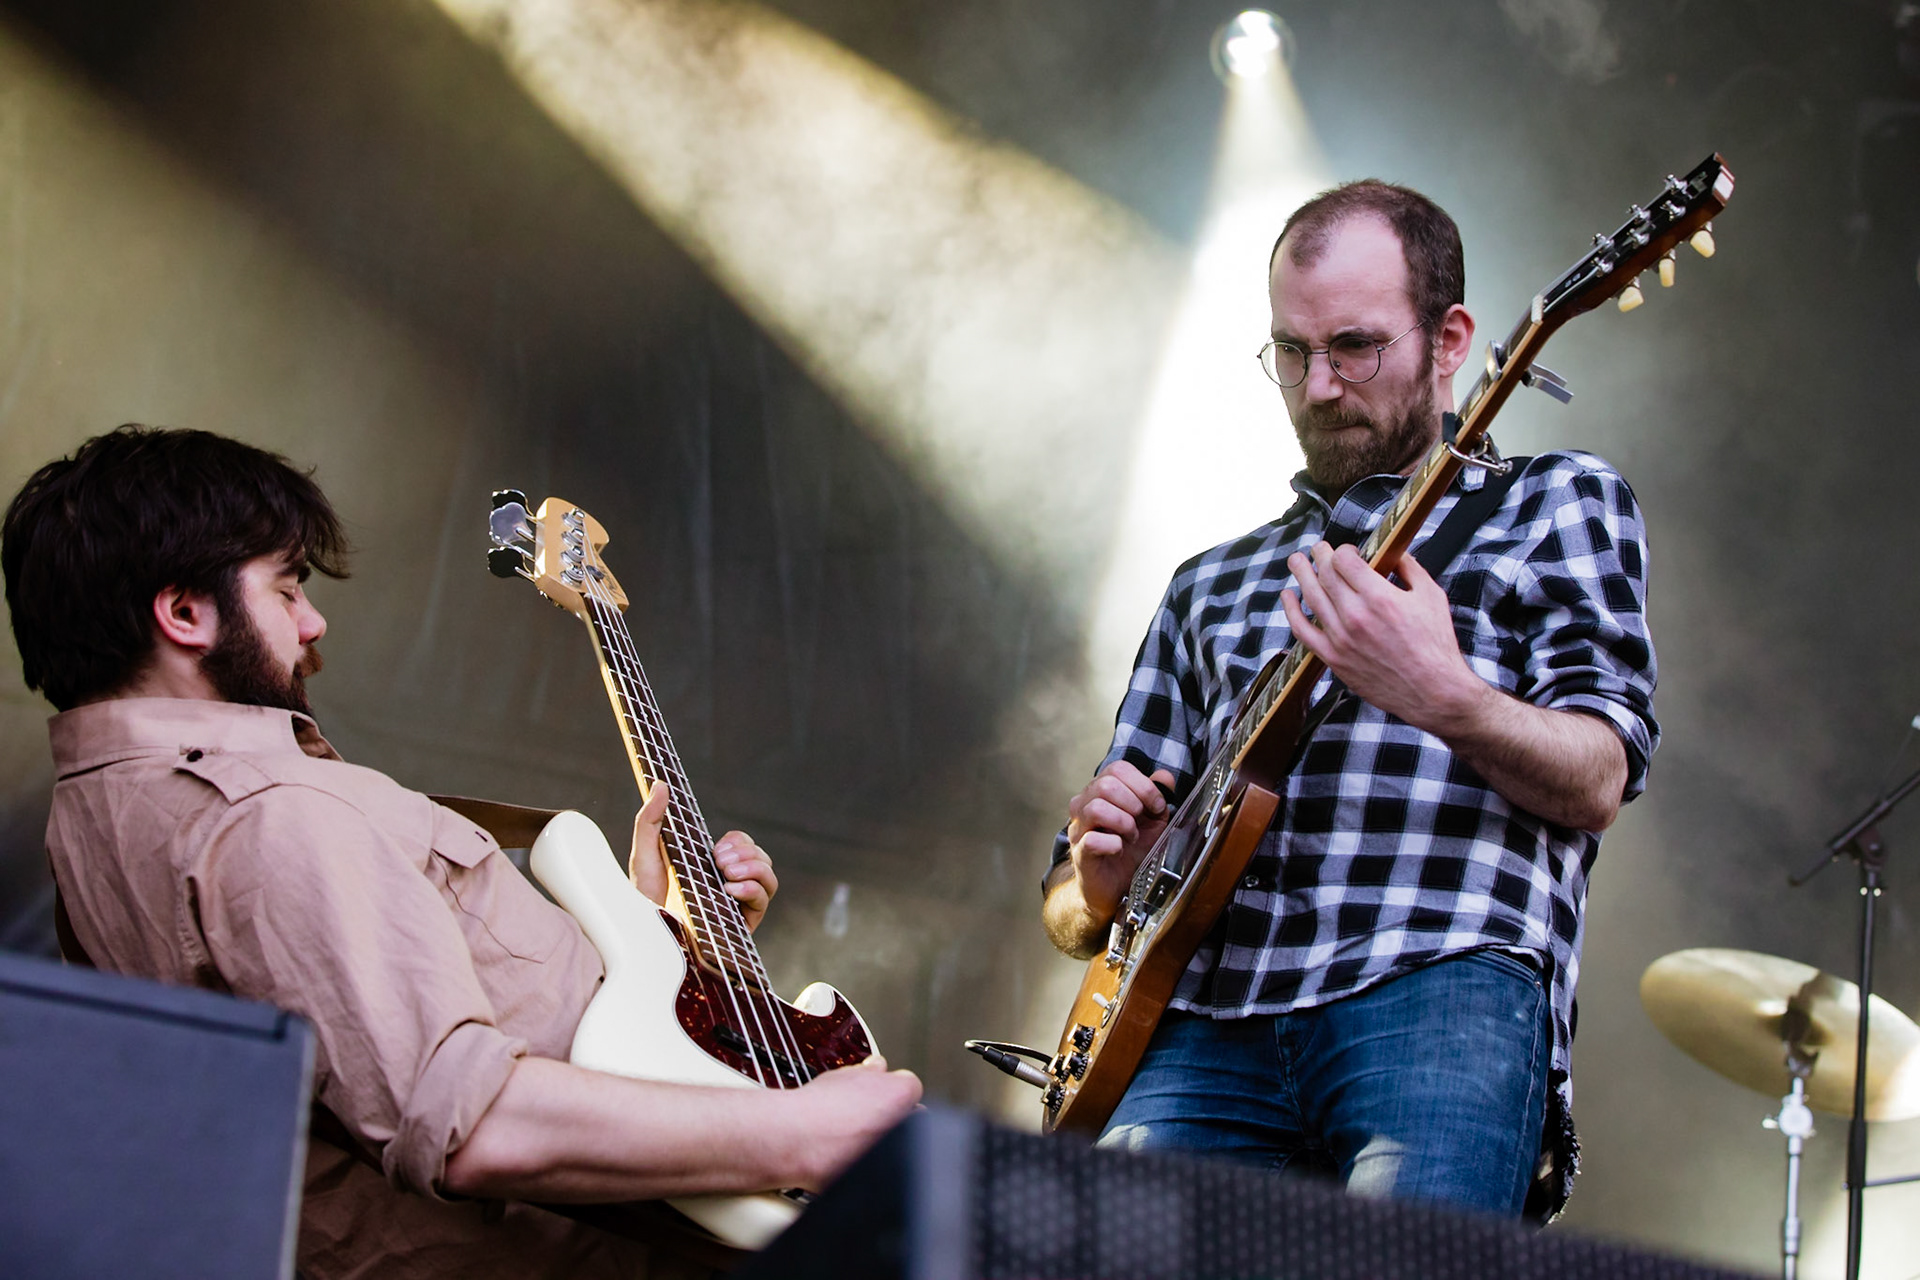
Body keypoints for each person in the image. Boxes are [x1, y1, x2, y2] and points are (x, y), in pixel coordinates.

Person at [2, 425, 922, 1279]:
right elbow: (468, 1124)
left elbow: (391, 1032)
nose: (313, 625)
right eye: (286, 588)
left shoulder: (97, 829)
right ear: (184, 613)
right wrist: (798, 1131)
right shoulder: (267, 813)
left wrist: (658, 935)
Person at [1040, 180, 1658, 1219]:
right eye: (1292, 350)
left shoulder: (1558, 503)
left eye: (1357, 346)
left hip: (1438, 983)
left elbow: (1599, 775)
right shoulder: (1210, 582)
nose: (1319, 386)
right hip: (1201, 1020)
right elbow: (1070, 909)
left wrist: (1444, 693)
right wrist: (1103, 876)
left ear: (1452, 337)